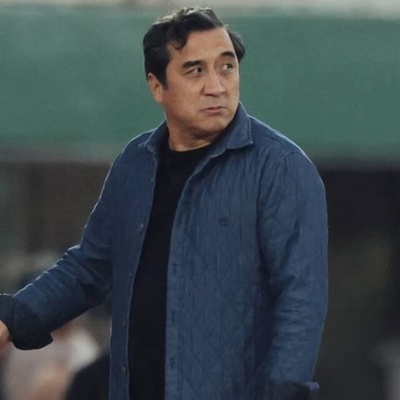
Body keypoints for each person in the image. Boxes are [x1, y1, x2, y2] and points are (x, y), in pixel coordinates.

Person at [0, 6, 328, 400]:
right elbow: (89, 267)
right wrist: (10, 319)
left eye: (226, 68)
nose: (217, 86)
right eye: (195, 71)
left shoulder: (280, 168)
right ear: (157, 87)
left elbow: (300, 300)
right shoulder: (135, 163)